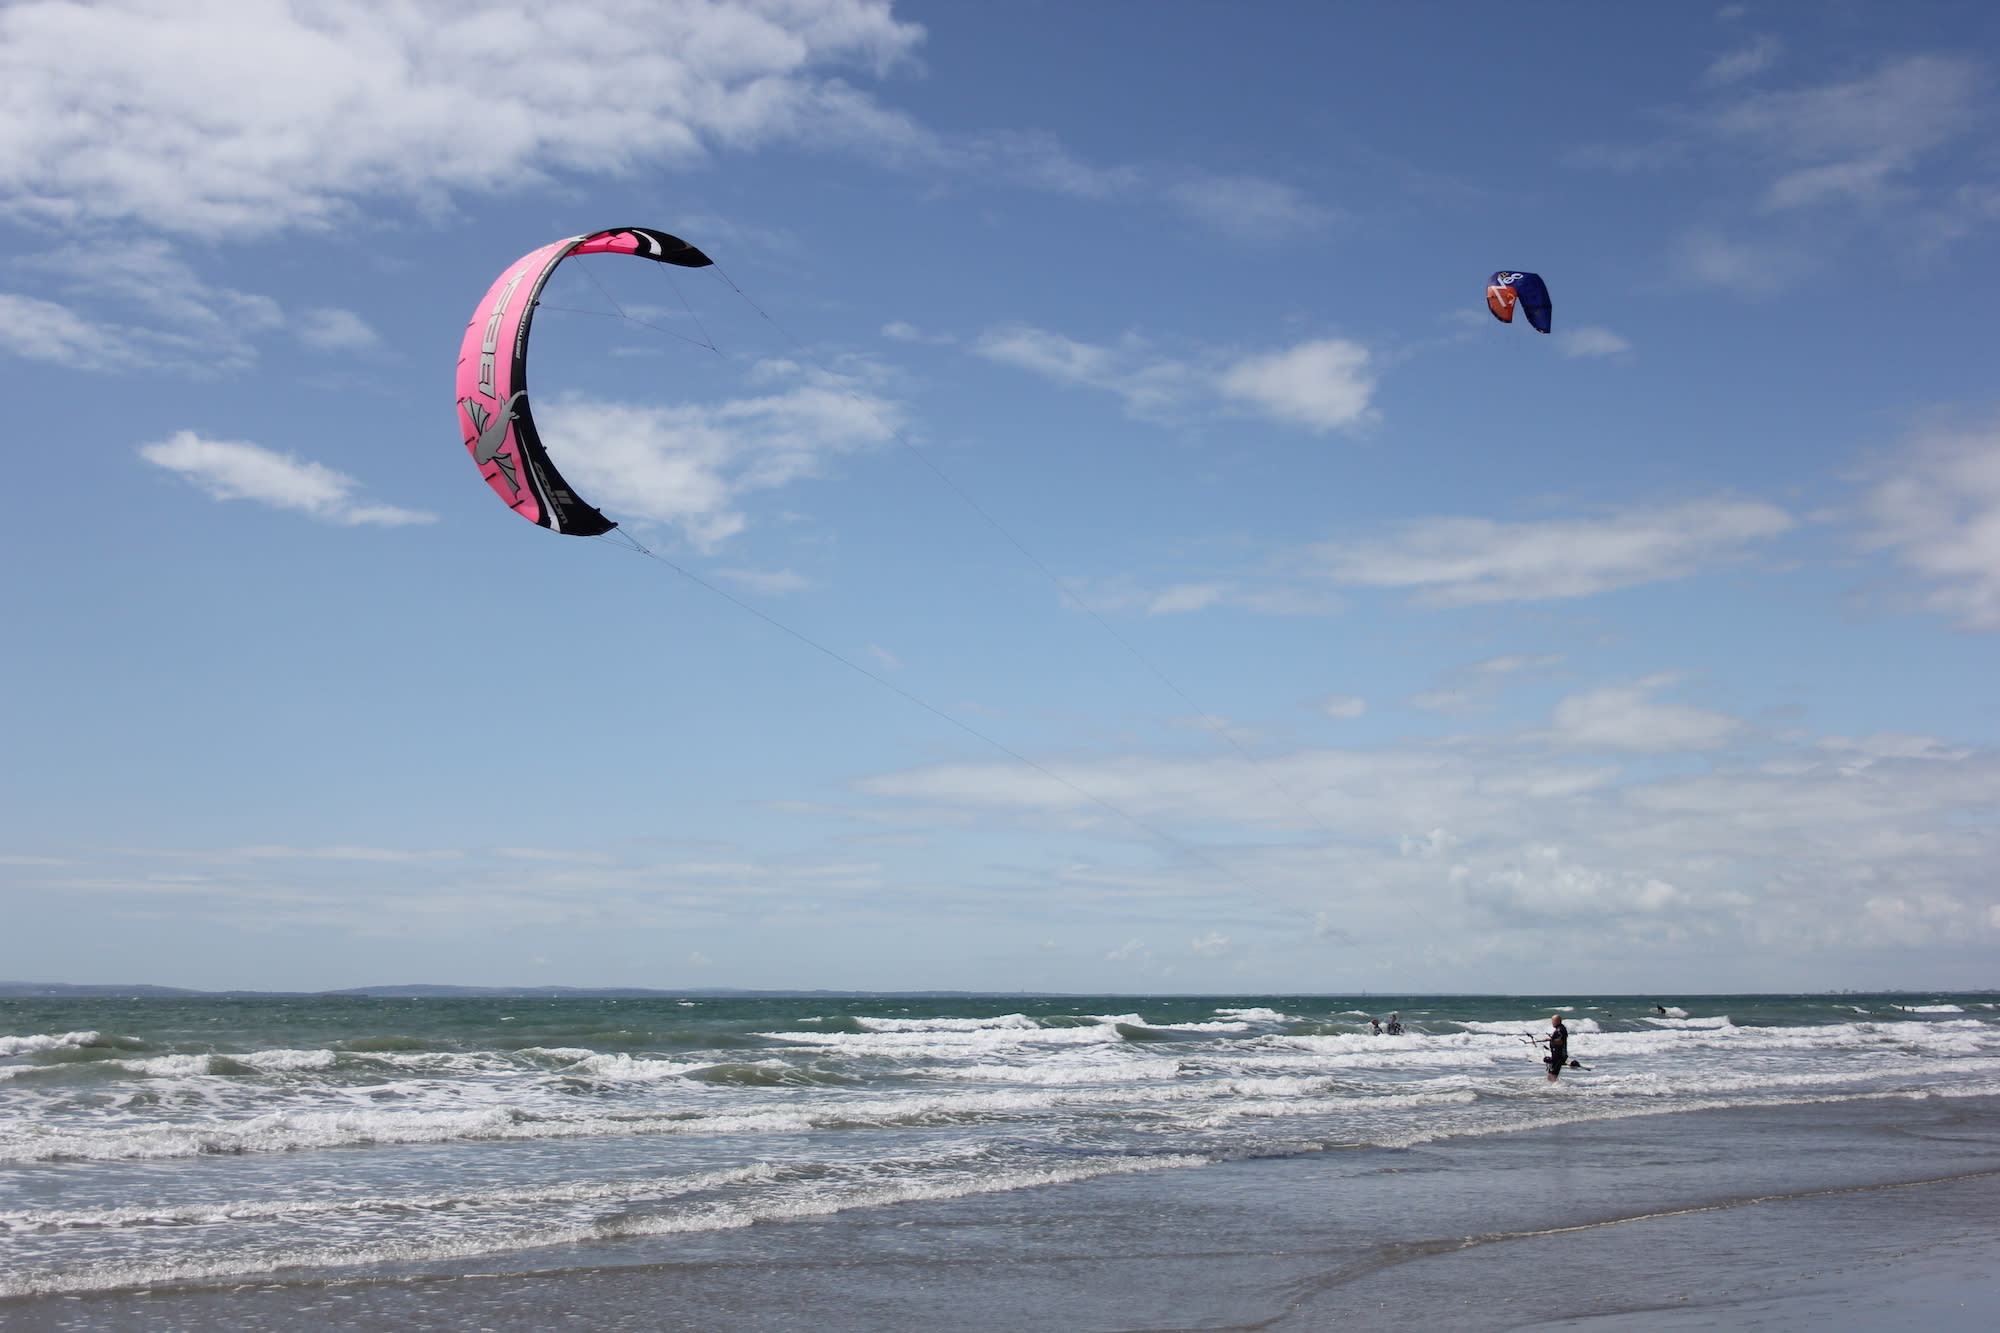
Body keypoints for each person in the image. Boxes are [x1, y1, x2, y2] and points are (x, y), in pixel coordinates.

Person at [1543, 1013, 1568, 1081]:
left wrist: (1550, 1040)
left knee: (1553, 1074)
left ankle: (1557, 1089)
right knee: (1550, 1075)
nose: (1552, 1022)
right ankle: (1551, 1088)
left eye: (1553, 1021)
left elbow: (1560, 1042)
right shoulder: (1558, 1029)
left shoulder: (1561, 1029)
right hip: (1555, 1055)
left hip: (1560, 1056)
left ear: (1557, 1021)